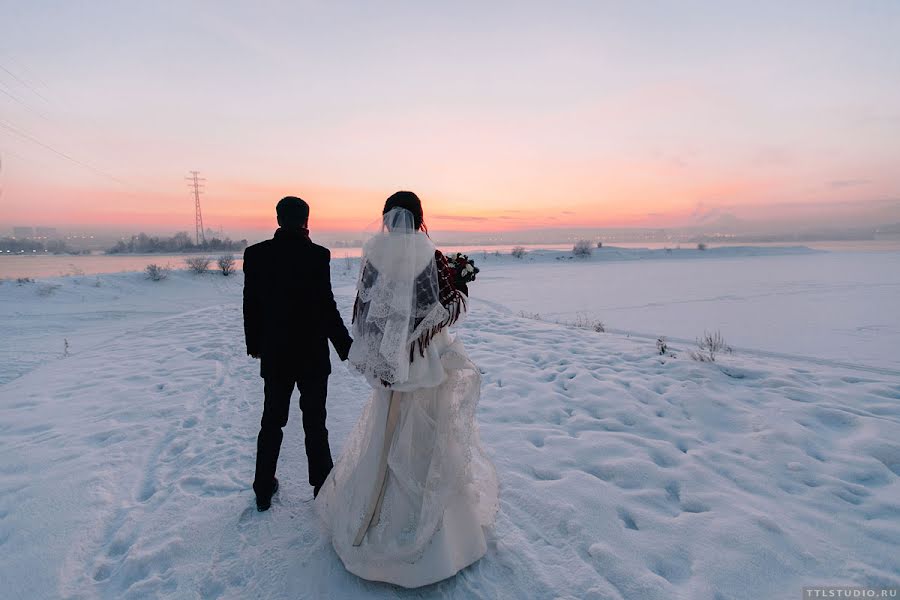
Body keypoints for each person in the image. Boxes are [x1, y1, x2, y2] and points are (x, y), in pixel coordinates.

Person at [315, 191, 498, 588]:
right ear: (418, 217)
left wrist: (383, 354)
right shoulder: (429, 254)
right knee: (425, 441)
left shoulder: (373, 254)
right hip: (424, 363)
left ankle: (369, 516)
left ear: (386, 217)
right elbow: (438, 313)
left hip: (390, 367)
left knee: (385, 436)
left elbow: (366, 313)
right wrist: (459, 291)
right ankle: (436, 536)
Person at [243, 196, 352, 512]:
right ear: (307, 220)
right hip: (312, 355)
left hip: (276, 354)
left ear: (278, 219)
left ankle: (263, 488)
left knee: (271, 421)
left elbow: (251, 305)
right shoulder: (317, 255)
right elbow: (326, 307)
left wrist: (255, 346)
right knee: (316, 422)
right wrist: (345, 347)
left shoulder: (256, 255)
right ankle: (322, 486)